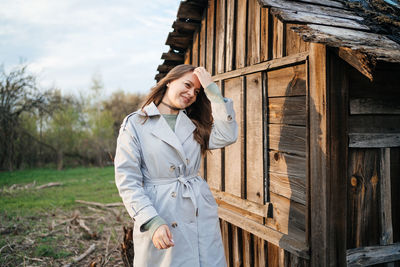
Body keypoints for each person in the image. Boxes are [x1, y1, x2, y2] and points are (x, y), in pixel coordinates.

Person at [114, 64, 238, 266]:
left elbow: (228, 135)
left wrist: (213, 92)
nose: (191, 94)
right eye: (187, 85)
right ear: (170, 81)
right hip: (160, 209)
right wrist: (152, 221)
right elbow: (127, 181)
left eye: (197, 92)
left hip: (198, 208)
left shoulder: (195, 124)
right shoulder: (136, 124)